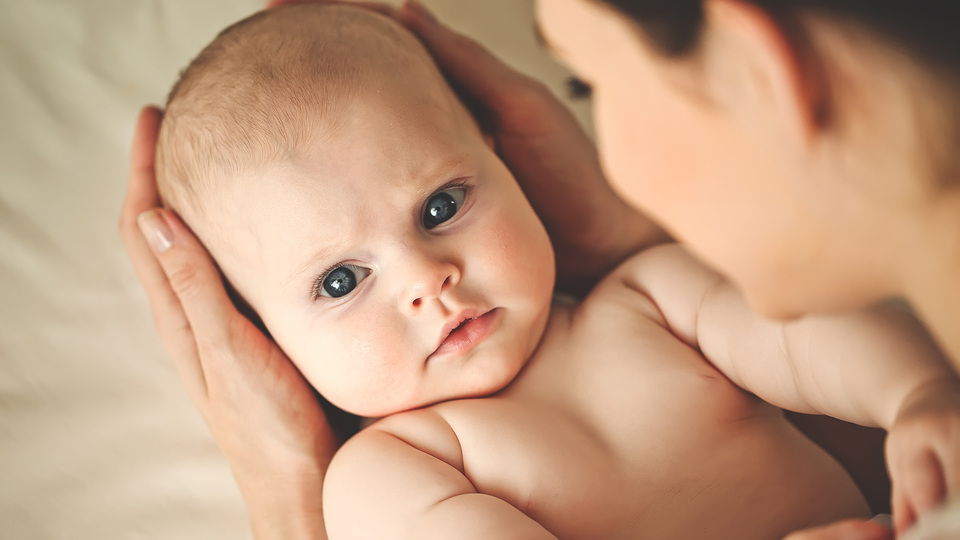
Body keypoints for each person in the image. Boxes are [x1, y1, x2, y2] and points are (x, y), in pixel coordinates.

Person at [132, 3, 960, 538]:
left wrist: (917, 394)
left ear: (504, 162)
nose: (428, 278)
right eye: (341, 281)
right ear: (258, 330)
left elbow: (804, 339)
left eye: (441, 206)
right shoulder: (392, 474)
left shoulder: (649, 296)